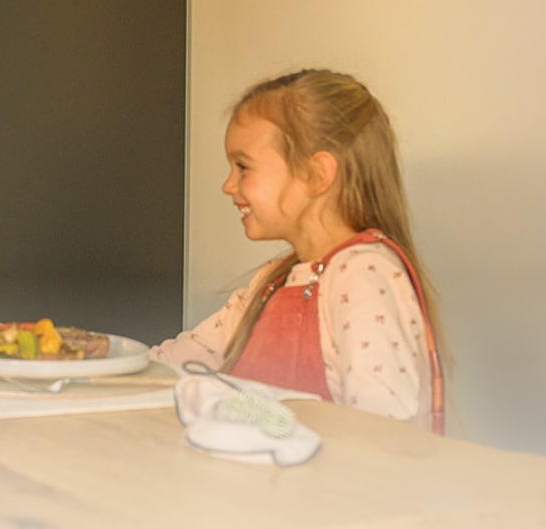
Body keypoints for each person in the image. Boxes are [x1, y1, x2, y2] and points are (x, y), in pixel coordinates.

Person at [150, 69, 445, 431]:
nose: (228, 185)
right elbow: (174, 366)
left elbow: (381, 432)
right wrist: (83, 356)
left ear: (316, 174)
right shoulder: (272, 281)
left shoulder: (363, 273)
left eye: (243, 167)